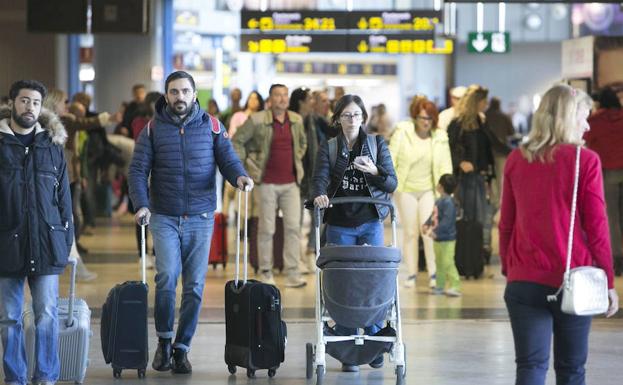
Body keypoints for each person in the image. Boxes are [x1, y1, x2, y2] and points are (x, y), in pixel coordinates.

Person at [128, 71, 253, 374]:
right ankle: (164, 340)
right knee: (167, 278)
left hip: (200, 216)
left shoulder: (212, 126)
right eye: (174, 92)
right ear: (166, 95)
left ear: (195, 95)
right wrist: (142, 205)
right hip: (164, 215)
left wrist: (239, 176)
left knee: (195, 286)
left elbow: (227, 158)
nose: (179, 97)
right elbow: (137, 170)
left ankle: (182, 348)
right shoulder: (153, 129)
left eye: (185, 91)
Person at [499, 84, 619, 385]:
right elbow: (597, 227)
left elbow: (507, 224)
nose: (588, 124)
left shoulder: (517, 159)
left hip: (523, 280)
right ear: (567, 116)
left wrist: (509, 267)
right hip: (573, 279)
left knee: (529, 367)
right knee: (571, 371)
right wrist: (608, 279)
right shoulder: (585, 160)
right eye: (584, 116)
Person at [312, 94, 397, 372]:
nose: (352, 120)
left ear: (364, 118)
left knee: (371, 280)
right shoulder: (330, 147)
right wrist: (319, 195)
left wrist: (374, 170)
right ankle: (349, 348)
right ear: (337, 118)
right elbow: (320, 178)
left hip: (370, 220)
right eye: (347, 115)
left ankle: (371, 340)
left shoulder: (376, 144)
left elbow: (391, 181)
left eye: (357, 115)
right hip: (339, 220)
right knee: (343, 281)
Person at [0, 79, 74, 385]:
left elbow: (64, 202)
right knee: (9, 318)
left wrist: (65, 242)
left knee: (47, 314)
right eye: (24, 101)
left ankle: (46, 377)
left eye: (35, 102)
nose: (29, 107)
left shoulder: (51, 148)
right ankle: (15, 377)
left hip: (46, 243)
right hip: (7, 244)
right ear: (12, 104)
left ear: (40, 108)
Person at [232, 84, 308, 288]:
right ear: (270, 99)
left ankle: (292, 272)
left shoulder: (296, 120)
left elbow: (302, 144)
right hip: (265, 183)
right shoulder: (257, 120)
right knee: (267, 228)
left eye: (285, 95)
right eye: (278, 95)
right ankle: (266, 271)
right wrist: (247, 166)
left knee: (293, 228)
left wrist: (297, 160)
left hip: (291, 183)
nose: (282, 99)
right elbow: (237, 141)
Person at [389, 97, 453, 289]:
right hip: (406, 189)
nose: (426, 122)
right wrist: (389, 182)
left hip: (430, 190)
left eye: (430, 119)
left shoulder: (440, 136)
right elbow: (391, 156)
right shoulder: (402, 132)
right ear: (414, 117)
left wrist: (447, 190)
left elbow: (445, 165)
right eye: (422, 118)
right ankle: (411, 273)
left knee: (429, 232)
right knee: (410, 233)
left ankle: (434, 274)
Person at [448, 85, 495, 262]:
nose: (486, 104)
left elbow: (487, 152)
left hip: (478, 177)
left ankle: (474, 258)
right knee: (467, 218)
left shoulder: (480, 123)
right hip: (464, 179)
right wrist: (460, 162)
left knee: (478, 219)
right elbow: (449, 148)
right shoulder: (458, 125)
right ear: (478, 102)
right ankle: (466, 258)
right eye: (484, 101)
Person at [585, 87, 623, 276]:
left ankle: (617, 258)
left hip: (608, 173)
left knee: (612, 217)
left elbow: (584, 137)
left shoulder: (595, 120)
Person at [289, 87, 318, 273]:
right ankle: (296, 259)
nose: (312, 102)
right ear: (301, 101)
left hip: (312, 178)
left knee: (318, 220)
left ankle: (309, 253)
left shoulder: (312, 120)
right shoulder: (293, 120)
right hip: (296, 178)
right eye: (309, 99)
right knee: (295, 222)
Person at [422, 174, 461, 297]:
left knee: (448, 262)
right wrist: (427, 224)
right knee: (439, 262)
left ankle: (455, 286)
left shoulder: (449, 203)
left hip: (447, 239)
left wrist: (436, 231)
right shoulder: (439, 201)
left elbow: (447, 221)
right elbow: (434, 215)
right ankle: (440, 285)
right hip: (438, 239)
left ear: (441, 187)